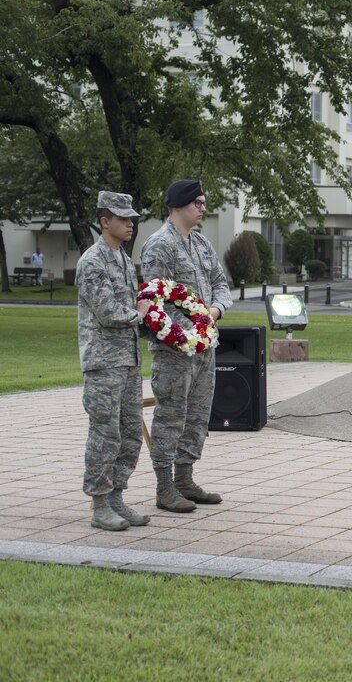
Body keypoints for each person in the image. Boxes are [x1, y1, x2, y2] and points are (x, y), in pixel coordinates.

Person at [141, 179, 232, 512]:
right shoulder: (159, 245)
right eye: (198, 203)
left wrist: (214, 311)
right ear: (178, 205)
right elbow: (154, 301)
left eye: (204, 203)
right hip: (174, 351)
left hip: (205, 347)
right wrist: (183, 333)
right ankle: (164, 487)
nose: (203, 208)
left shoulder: (202, 244)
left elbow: (221, 286)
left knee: (197, 416)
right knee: (171, 416)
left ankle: (185, 479)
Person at [77, 192, 152, 531]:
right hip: (104, 363)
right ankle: (99, 503)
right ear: (104, 221)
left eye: (131, 218)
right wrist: (140, 316)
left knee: (131, 434)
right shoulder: (92, 261)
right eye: (122, 218)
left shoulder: (121, 257)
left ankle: (117, 496)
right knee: (105, 435)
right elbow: (107, 312)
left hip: (128, 361)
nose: (130, 223)